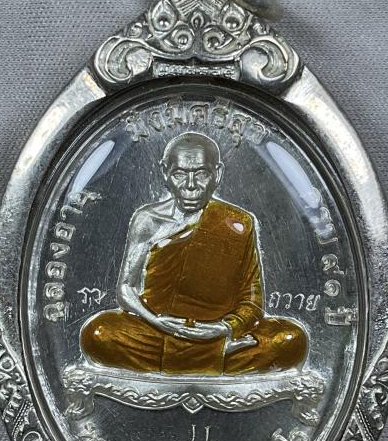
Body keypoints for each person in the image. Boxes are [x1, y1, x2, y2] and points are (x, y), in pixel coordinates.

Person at [80, 132, 307, 375]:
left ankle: (197, 353)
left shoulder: (238, 224)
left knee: (290, 339)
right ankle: (216, 355)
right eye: (180, 174)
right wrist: (157, 322)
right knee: (99, 333)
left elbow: (252, 302)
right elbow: (126, 288)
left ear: (217, 174)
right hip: (157, 330)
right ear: (165, 173)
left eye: (201, 174)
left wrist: (224, 329)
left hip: (214, 330)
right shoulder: (147, 220)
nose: (190, 185)